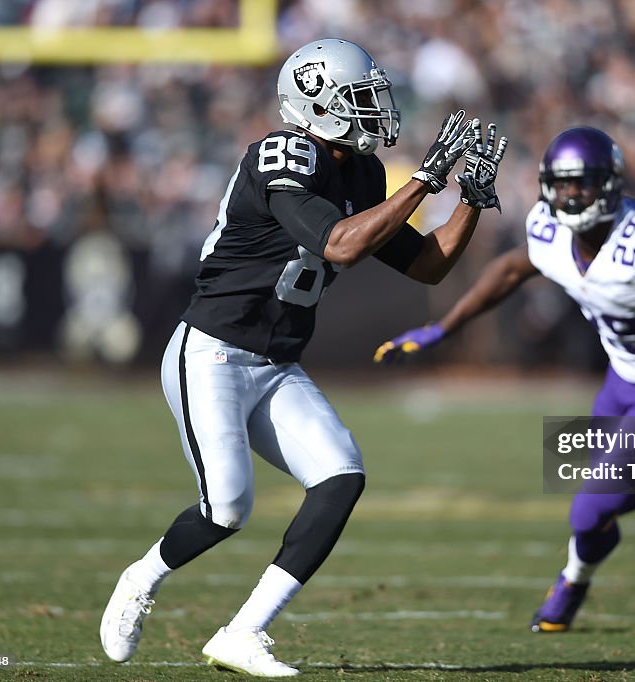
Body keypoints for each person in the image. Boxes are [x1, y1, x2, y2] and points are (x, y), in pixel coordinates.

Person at [99, 38, 507, 677]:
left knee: (341, 476)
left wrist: (471, 202)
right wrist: (426, 179)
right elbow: (339, 246)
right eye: (360, 99)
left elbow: (427, 265)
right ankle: (141, 579)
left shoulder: (365, 173)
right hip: (212, 351)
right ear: (317, 104)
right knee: (227, 509)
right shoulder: (279, 153)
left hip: (276, 361)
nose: (375, 111)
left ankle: (243, 632)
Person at [374, 126, 635, 634]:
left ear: (610, 185)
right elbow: (512, 270)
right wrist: (442, 328)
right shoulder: (549, 230)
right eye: (560, 184)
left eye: (582, 183)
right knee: (600, 499)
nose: (570, 195)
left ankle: (571, 583)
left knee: (592, 504)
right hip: (623, 376)